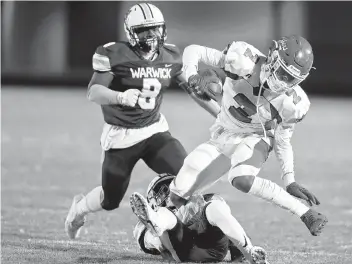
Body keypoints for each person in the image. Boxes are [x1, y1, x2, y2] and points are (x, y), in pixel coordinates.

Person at [64, 2, 219, 239]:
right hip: (122, 136)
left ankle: (168, 226)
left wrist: (220, 115)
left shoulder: (171, 55)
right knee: (110, 199)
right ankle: (79, 209)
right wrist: (120, 96)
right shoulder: (115, 54)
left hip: (155, 131)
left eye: (155, 29)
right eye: (144, 30)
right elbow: (93, 92)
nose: (151, 35)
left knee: (186, 177)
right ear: (131, 33)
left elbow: (193, 90)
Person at [169, 36, 328, 237]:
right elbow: (193, 49)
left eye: (291, 79)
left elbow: (282, 139)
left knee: (241, 179)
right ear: (272, 58)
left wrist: (290, 180)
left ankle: (306, 214)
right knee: (177, 196)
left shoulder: (293, 103)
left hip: (255, 137)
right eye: (282, 73)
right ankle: (204, 227)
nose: (283, 82)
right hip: (223, 133)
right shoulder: (243, 60)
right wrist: (191, 76)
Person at [130, 173, 268, 263]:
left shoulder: (199, 203)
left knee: (215, 206)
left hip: (213, 248)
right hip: (184, 249)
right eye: (166, 191)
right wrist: (158, 240)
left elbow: (226, 222)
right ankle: (156, 222)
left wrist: (238, 254)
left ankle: (249, 251)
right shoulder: (153, 220)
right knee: (166, 218)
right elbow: (151, 242)